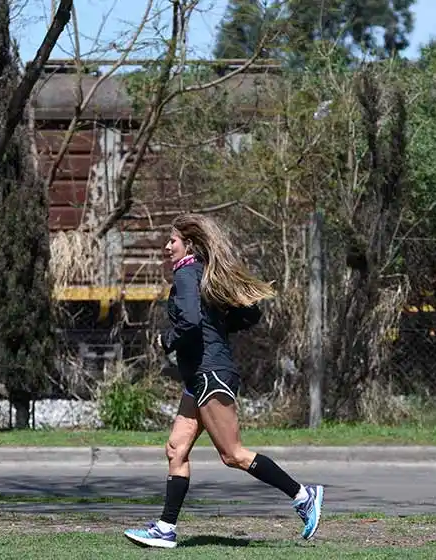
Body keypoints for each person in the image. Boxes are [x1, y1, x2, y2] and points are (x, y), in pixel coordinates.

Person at [123, 213, 324, 549]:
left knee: (233, 455)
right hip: (198, 376)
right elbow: (250, 313)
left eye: (172, 240)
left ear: (188, 243)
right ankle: (165, 529)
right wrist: (218, 325)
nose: (166, 246)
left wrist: (166, 341)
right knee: (176, 448)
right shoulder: (205, 275)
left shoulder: (188, 273)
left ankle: (304, 496)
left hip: (210, 373)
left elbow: (187, 323)